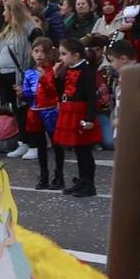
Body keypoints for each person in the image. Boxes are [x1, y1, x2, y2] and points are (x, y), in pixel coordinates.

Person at [51, 34, 101, 197]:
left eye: (64, 54)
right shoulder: (68, 69)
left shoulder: (86, 70)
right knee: (78, 149)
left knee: (84, 149)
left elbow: (92, 97)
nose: (61, 57)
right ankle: (82, 180)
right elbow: (61, 91)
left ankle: (89, 183)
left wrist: (90, 118)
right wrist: (56, 77)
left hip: (80, 111)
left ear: (76, 55)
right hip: (70, 109)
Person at [24, 35, 60, 186]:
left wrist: (44, 79)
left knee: (56, 144)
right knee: (40, 146)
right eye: (36, 51)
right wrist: (23, 92)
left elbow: (53, 91)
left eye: (42, 51)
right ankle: (43, 176)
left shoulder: (53, 70)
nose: (39, 55)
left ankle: (58, 175)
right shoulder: (29, 72)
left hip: (50, 110)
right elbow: (27, 92)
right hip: (35, 111)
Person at [0, 0, 38, 111]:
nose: (3, 13)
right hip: (3, 74)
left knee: (21, 109)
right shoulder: (7, 29)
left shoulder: (29, 28)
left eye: (5, 10)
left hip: (18, 75)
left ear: (12, 12)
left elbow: (38, 46)